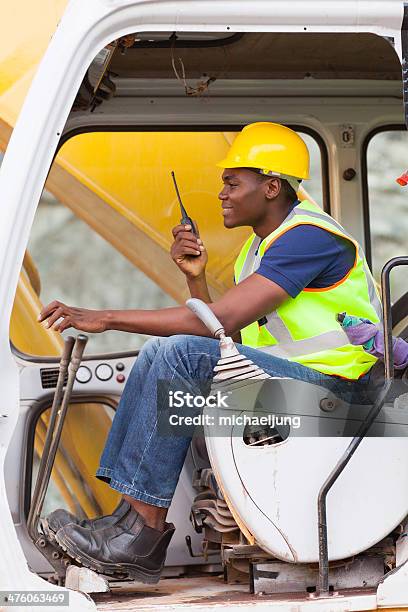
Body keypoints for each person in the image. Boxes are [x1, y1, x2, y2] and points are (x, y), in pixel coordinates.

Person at [39, 122, 381, 583]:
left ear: (272, 186)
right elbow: (229, 341)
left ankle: (141, 532)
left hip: (340, 392)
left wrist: (104, 318)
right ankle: (128, 520)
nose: (221, 193)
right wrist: (195, 278)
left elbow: (218, 322)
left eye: (231, 182)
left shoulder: (309, 238)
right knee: (175, 355)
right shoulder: (259, 250)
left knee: (175, 354)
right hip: (295, 383)